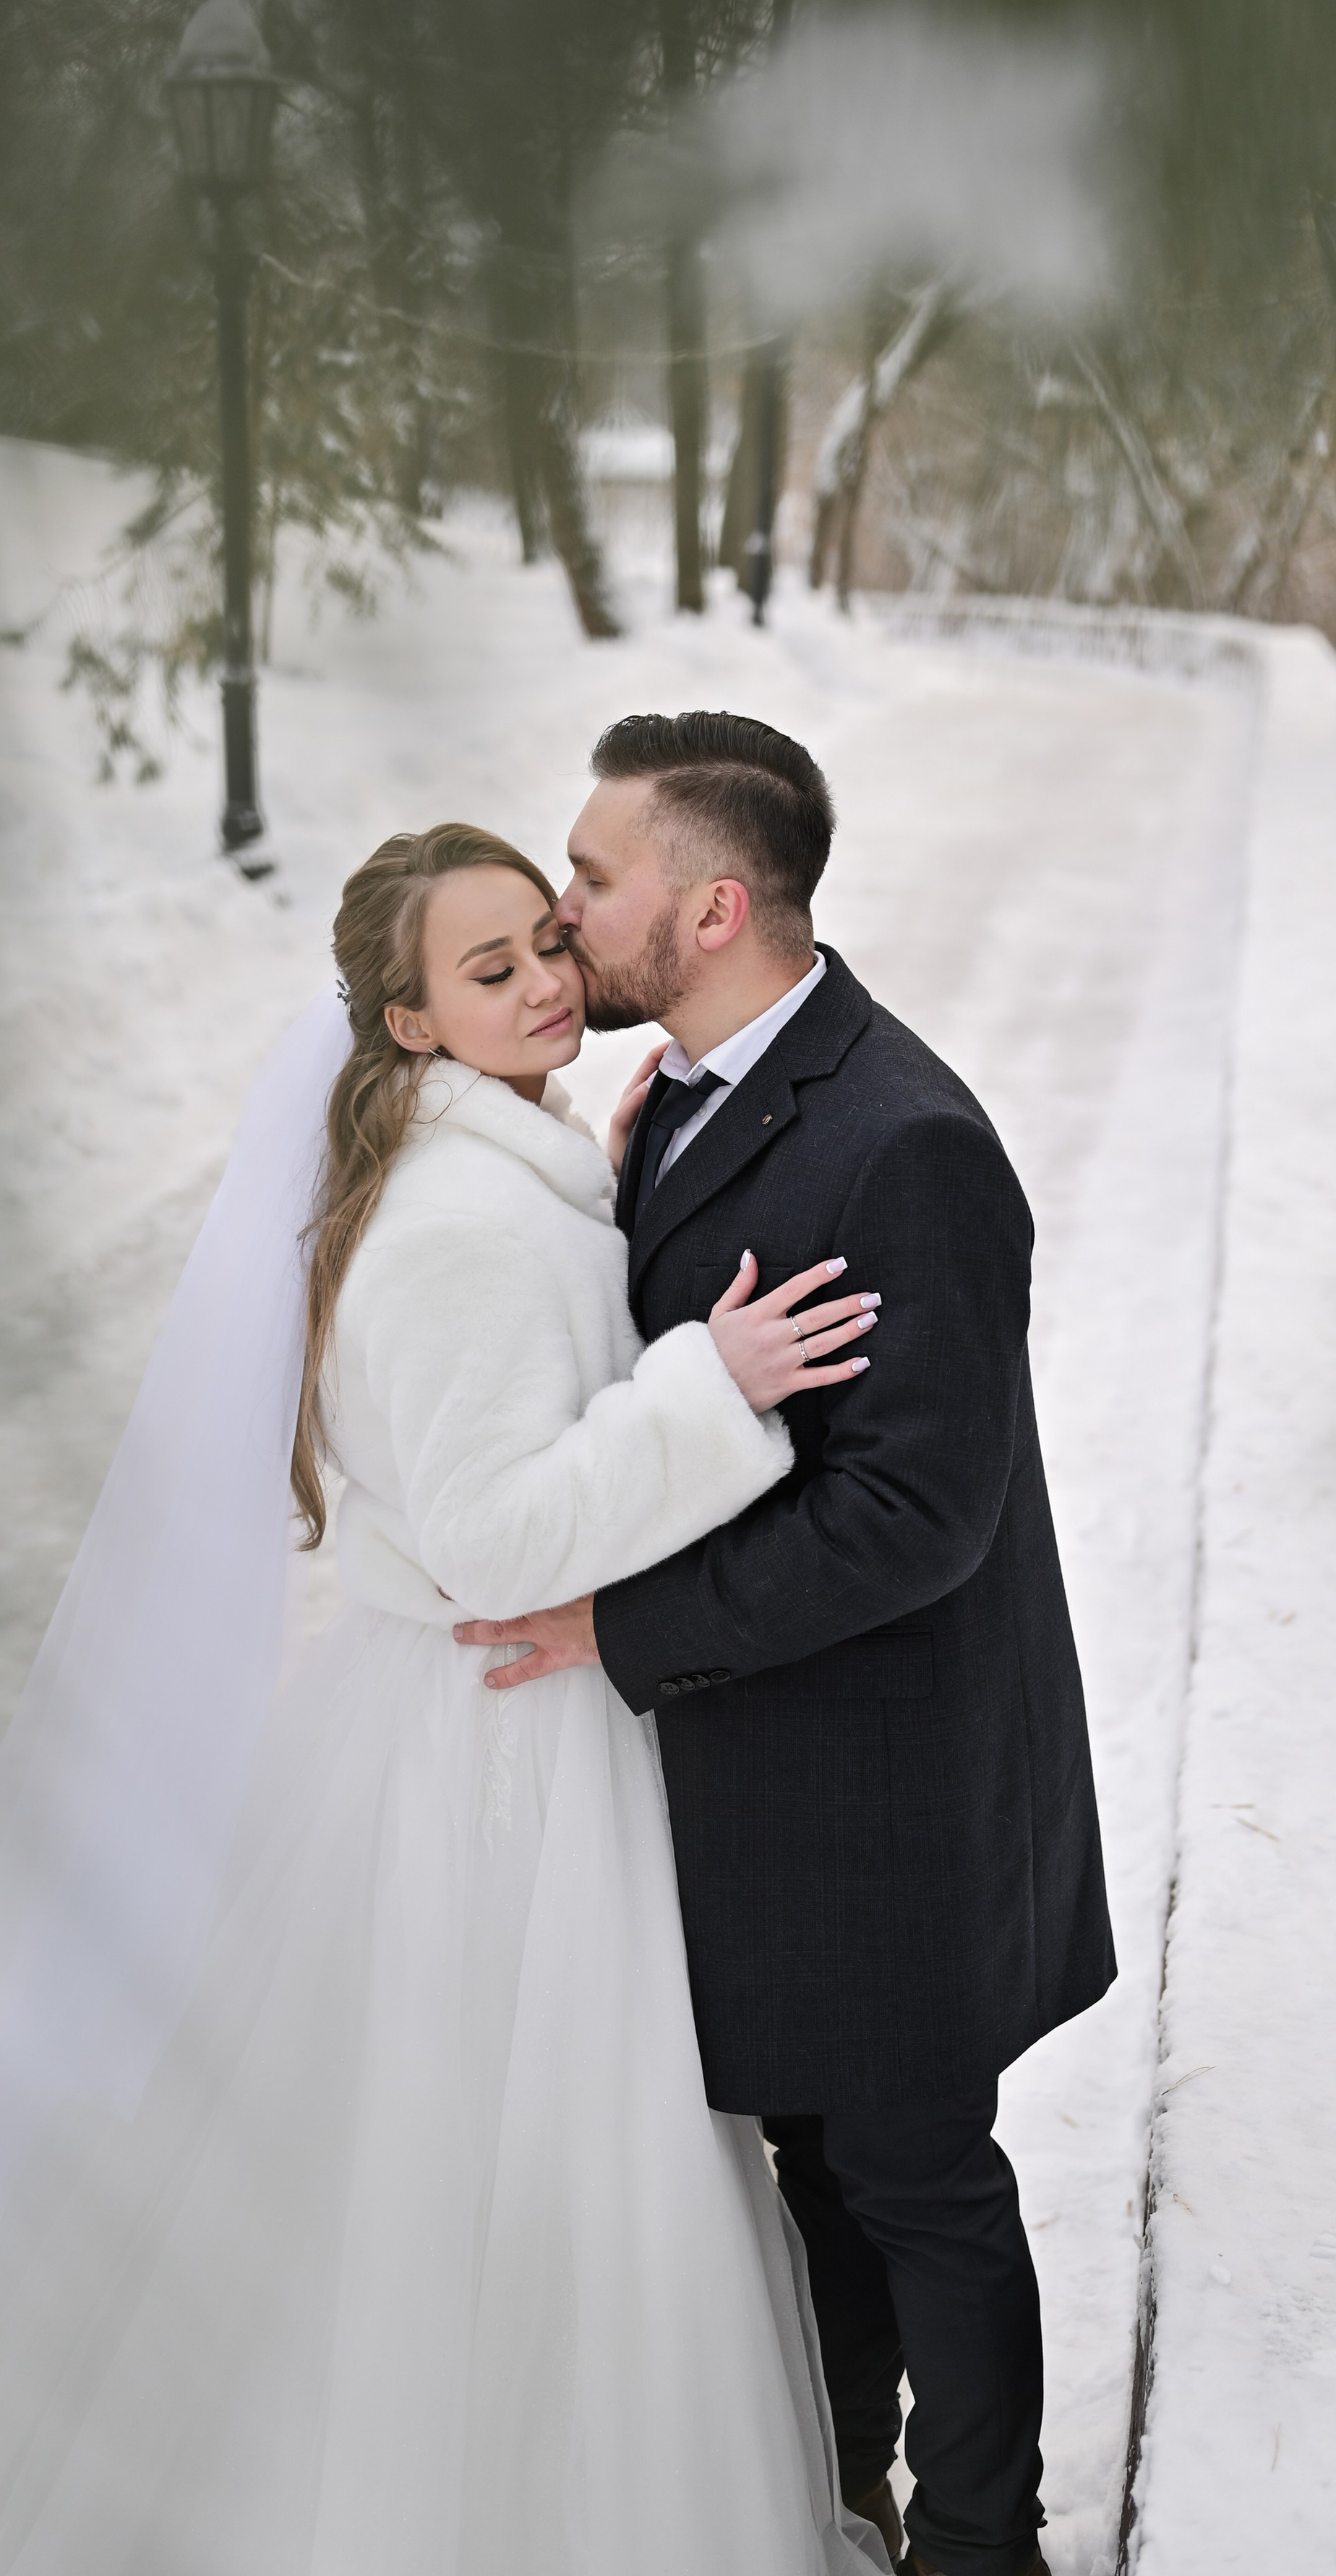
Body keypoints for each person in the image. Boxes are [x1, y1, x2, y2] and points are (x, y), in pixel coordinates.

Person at [0, 822, 901, 2576]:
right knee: (497, 2182)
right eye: (485, 970)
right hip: (497, 1753)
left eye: (541, 942)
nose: (538, 981)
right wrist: (705, 1391)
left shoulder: (501, 1171)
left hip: (497, 1724)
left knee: (475, 2185)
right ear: (408, 1022)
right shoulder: (455, 1223)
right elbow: (494, 1533)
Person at [455, 715, 1118, 2576]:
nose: (563, 907)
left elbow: (919, 1514)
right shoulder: (679, 1085)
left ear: (714, 902)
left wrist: (616, 1623)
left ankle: (983, 2545)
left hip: (888, 1791)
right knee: (814, 2174)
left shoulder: (906, 1142)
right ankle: (834, 2489)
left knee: (913, 2181)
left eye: (593, 880)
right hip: (766, 1781)